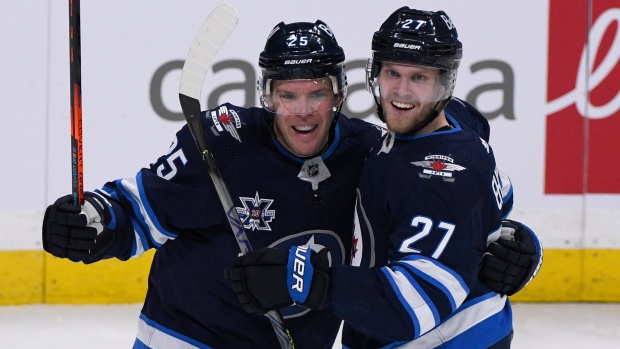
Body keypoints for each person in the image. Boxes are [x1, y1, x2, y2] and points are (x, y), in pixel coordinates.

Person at [42, 17, 540, 349]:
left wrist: (512, 244)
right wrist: (92, 221)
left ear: (340, 93)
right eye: (287, 94)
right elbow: (137, 211)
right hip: (189, 338)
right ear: (266, 94)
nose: (302, 111)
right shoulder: (225, 143)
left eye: (317, 94)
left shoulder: (371, 152)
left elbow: (454, 196)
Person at [226, 7, 542, 349]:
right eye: (393, 73)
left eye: (419, 77)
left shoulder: (438, 176)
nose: (402, 92)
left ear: (444, 83)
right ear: (375, 73)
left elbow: (414, 305)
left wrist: (307, 281)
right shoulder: (456, 120)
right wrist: (518, 243)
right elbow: (495, 196)